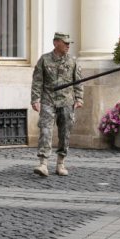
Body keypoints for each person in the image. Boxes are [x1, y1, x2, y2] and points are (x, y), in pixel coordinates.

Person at [30, 32, 83, 177]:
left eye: (68, 43)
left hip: (67, 102)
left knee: (65, 133)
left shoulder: (72, 60)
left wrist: (79, 98)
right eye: (65, 42)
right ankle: (43, 164)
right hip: (48, 100)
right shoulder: (44, 60)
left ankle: (61, 163)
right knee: (45, 131)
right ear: (55, 43)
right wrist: (35, 99)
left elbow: (78, 81)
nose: (67, 45)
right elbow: (37, 81)